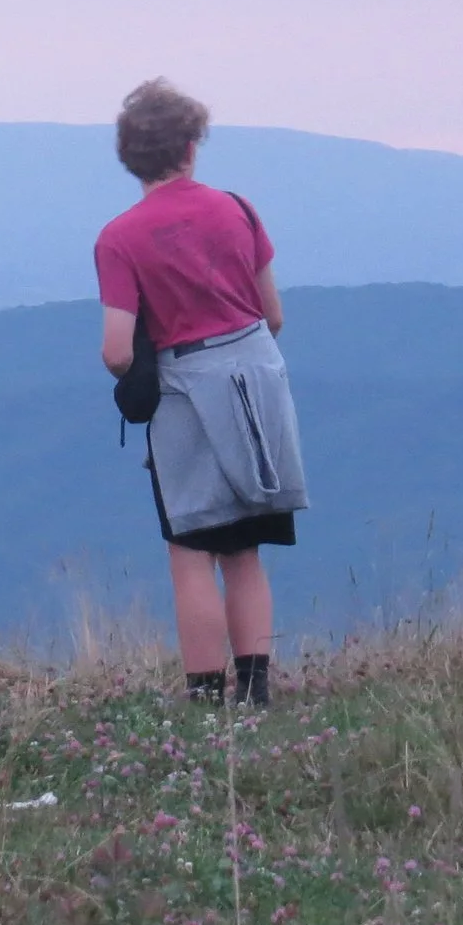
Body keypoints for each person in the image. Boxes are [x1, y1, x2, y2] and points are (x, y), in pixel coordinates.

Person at [95, 79, 309, 707]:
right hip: (258, 385)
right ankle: (256, 687)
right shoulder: (239, 210)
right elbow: (273, 315)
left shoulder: (120, 238)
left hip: (187, 395)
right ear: (191, 147)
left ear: (130, 156)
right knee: (245, 549)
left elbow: (116, 349)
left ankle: (205, 694)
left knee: (191, 549)